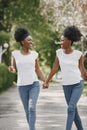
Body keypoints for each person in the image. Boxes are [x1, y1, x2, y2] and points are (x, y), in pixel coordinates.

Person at [43, 25, 87, 130]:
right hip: (66, 86)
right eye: (60, 40)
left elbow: (82, 70)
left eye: (63, 40)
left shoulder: (78, 54)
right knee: (74, 112)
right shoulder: (58, 53)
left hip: (77, 84)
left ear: (69, 41)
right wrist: (47, 81)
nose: (61, 42)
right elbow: (54, 68)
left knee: (71, 108)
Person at [9, 27, 46, 130]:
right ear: (22, 41)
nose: (31, 42)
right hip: (21, 86)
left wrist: (45, 80)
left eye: (31, 40)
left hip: (34, 84)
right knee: (27, 111)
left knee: (31, 108)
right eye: (29, 40)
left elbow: (37, 69)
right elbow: (14, 69)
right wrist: (11, 69)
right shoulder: (15, 54)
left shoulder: (34, 54)